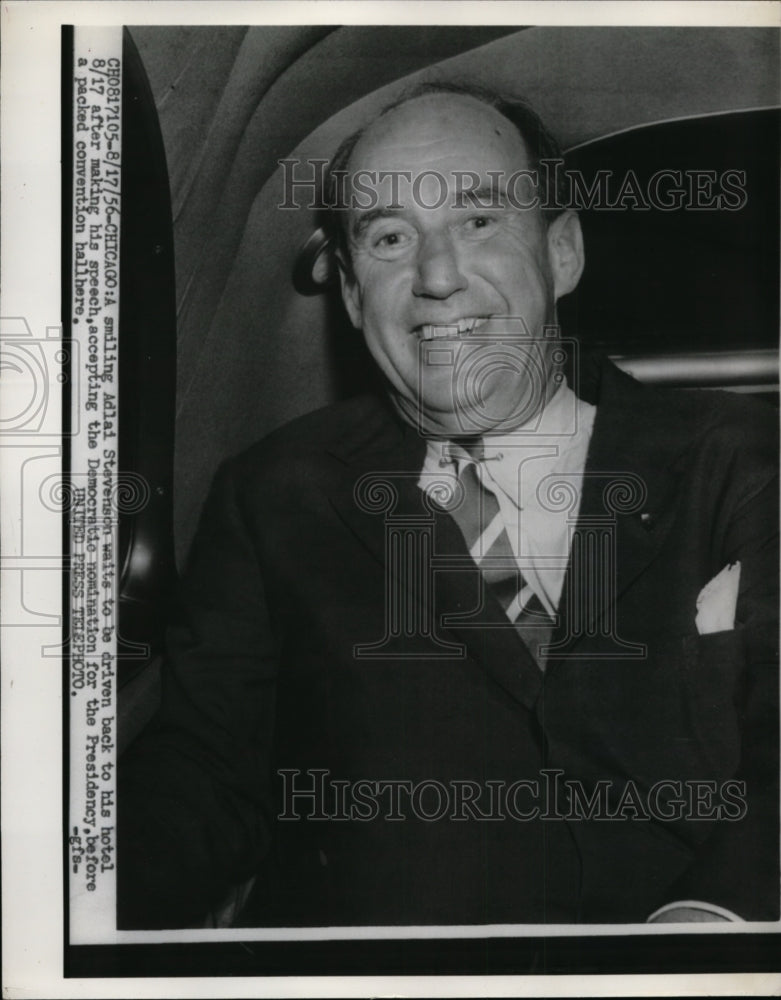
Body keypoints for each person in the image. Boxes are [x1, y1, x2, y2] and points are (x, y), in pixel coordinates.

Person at [119, 82, 779, 928]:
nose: (436, 277)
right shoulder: (272, 495)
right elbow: (205, 775)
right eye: (390, 238)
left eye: (478, 220)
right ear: (355, 299)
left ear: (563, 253)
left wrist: (710, 926)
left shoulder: (741, 457)